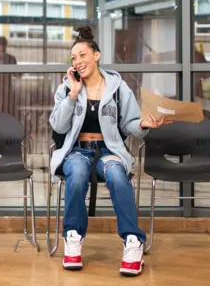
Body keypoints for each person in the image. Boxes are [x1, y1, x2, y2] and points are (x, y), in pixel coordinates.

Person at [49, 26, 169, 277]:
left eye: (82, 55)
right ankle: (73, 237)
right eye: (73, 58)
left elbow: (130, 125)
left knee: (117, 175)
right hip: (77, 150)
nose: (78, 61)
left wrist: (145, 124)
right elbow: (58, 126)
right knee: (78, 173)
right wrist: (73, 95)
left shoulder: (118, 87)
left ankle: (133, 242)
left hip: (108, 149)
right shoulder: (66, 88)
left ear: (96, 55)